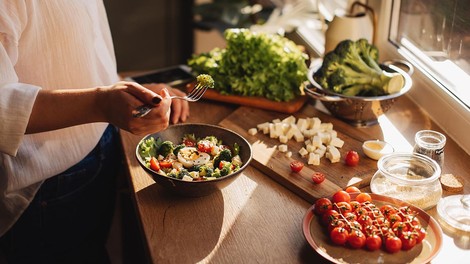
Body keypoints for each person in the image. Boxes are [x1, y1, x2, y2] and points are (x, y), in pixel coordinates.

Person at [0, 1, 189, 263]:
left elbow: (77, 47)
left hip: (104, 145)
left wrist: (133, 90)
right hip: (47, 185)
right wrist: (100, 103)